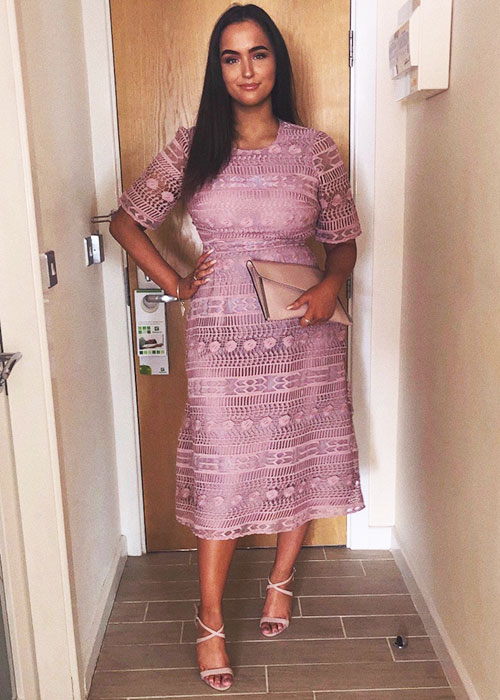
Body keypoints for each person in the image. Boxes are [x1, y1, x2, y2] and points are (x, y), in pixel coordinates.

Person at [109, 2, 365, 692]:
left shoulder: (315, 151)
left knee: (296, 448)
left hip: (302, 323)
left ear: (276, 61)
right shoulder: (195, 146)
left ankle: (280, 581)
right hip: (221, 331)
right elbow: (126, 221)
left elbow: (343, 241)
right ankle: (211, 617)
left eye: (258, 53)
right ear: (216, 69)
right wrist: (177, 282)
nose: (246, 69)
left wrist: (331, 284)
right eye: (231, 56)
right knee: (222, 467)